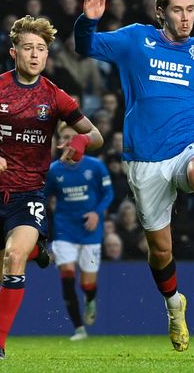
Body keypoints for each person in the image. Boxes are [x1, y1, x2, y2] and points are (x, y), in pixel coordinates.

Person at [73, 0, 194, 352]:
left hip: (188, 143)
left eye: (190, 10)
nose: (186, 18)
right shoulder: (136, 39)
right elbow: (85, 45)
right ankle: (173, 305)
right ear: (161, 12)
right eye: (177, 10)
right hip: (145, 159)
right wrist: (88, 20)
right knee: (162, 250)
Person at [0, 15, 104, 360]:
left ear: (47, 55)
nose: (35, 55)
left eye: (41, 49)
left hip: (29, 194)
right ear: (14, 52)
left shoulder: (55, 96)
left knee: (13, 257)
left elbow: (94, 135)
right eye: (28, 48)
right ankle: (39, 251)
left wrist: (80, 142)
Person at [44, 124, 114, 341]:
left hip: (90, 231)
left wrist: (96, 213)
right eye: (63, 137)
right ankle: (78, 328)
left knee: (87, 283)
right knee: (67, 275)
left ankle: (90, 299)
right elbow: (43, 198)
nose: (67, 142)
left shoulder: (95, 166)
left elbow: (108, 193)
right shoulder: (54, 170)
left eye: (71, 137)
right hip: (64, 229)